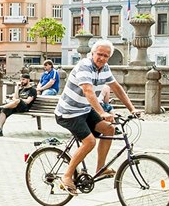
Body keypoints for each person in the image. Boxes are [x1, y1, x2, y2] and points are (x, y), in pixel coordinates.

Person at [54, 39, 141, 195]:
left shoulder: (105, 68)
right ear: (92, 53)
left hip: (85, 110)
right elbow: (88, 90)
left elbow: (117, 88)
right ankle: (67, 176)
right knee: (90, 142)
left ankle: (100, 168)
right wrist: (102, 112)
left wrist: (132, 109)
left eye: (106, 56)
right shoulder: (84, 66)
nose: (102, 58)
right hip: (69, 112)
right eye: (99, 54)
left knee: (110, 130)